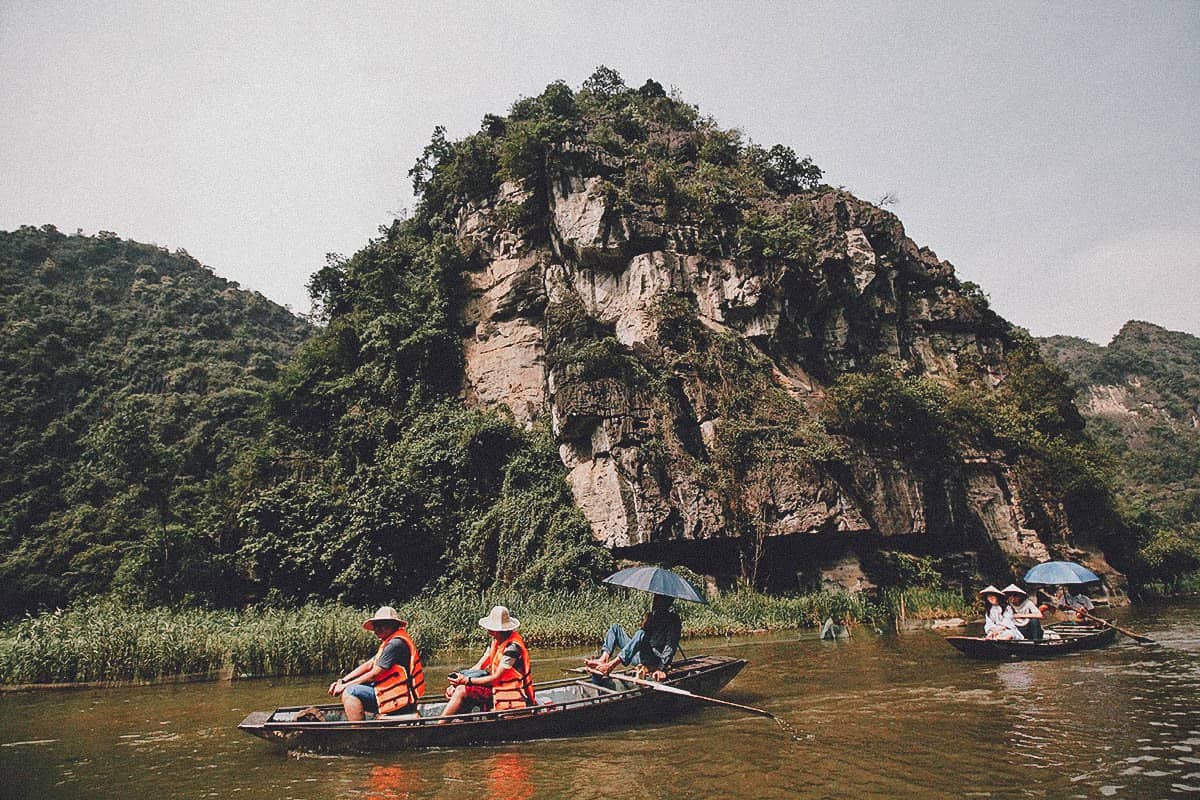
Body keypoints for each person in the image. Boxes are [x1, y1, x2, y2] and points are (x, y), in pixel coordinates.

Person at [328, 606, 425, 721]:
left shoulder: (395, 644)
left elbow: (374, 674)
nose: (378, 628)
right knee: (351, 687)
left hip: (398, 699)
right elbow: (370, 664)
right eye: (376, 625)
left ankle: (359, 735)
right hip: (394, 694)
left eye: (383, 624)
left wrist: (345, 686)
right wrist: (343, 680)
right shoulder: (390, 641)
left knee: (350, 692)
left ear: (393, 625)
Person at [442, 606, 535, 716]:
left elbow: (496, 678)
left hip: (508, 691)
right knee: (457, 689)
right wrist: (457, 682)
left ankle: (439, 727)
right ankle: (464, 722)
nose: (488, 631)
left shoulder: (513, 648)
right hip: (495, 686)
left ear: (497, 631)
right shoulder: (496, 641)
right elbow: (479, 666)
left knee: (462, 690)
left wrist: (466, 681)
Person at [584, 593, 682, 681]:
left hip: (654, 661)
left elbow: (670, 647)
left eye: (659, 598)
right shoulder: (653, 615)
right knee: (615, 628)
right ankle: (604, 659)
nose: (655, 601)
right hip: (640, 656)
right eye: (656, 598)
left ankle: (611, 665)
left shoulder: (673, 621)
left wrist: (661, 669)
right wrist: (647, 623)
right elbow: (641, 642)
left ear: (667, 602)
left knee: (641, 634)